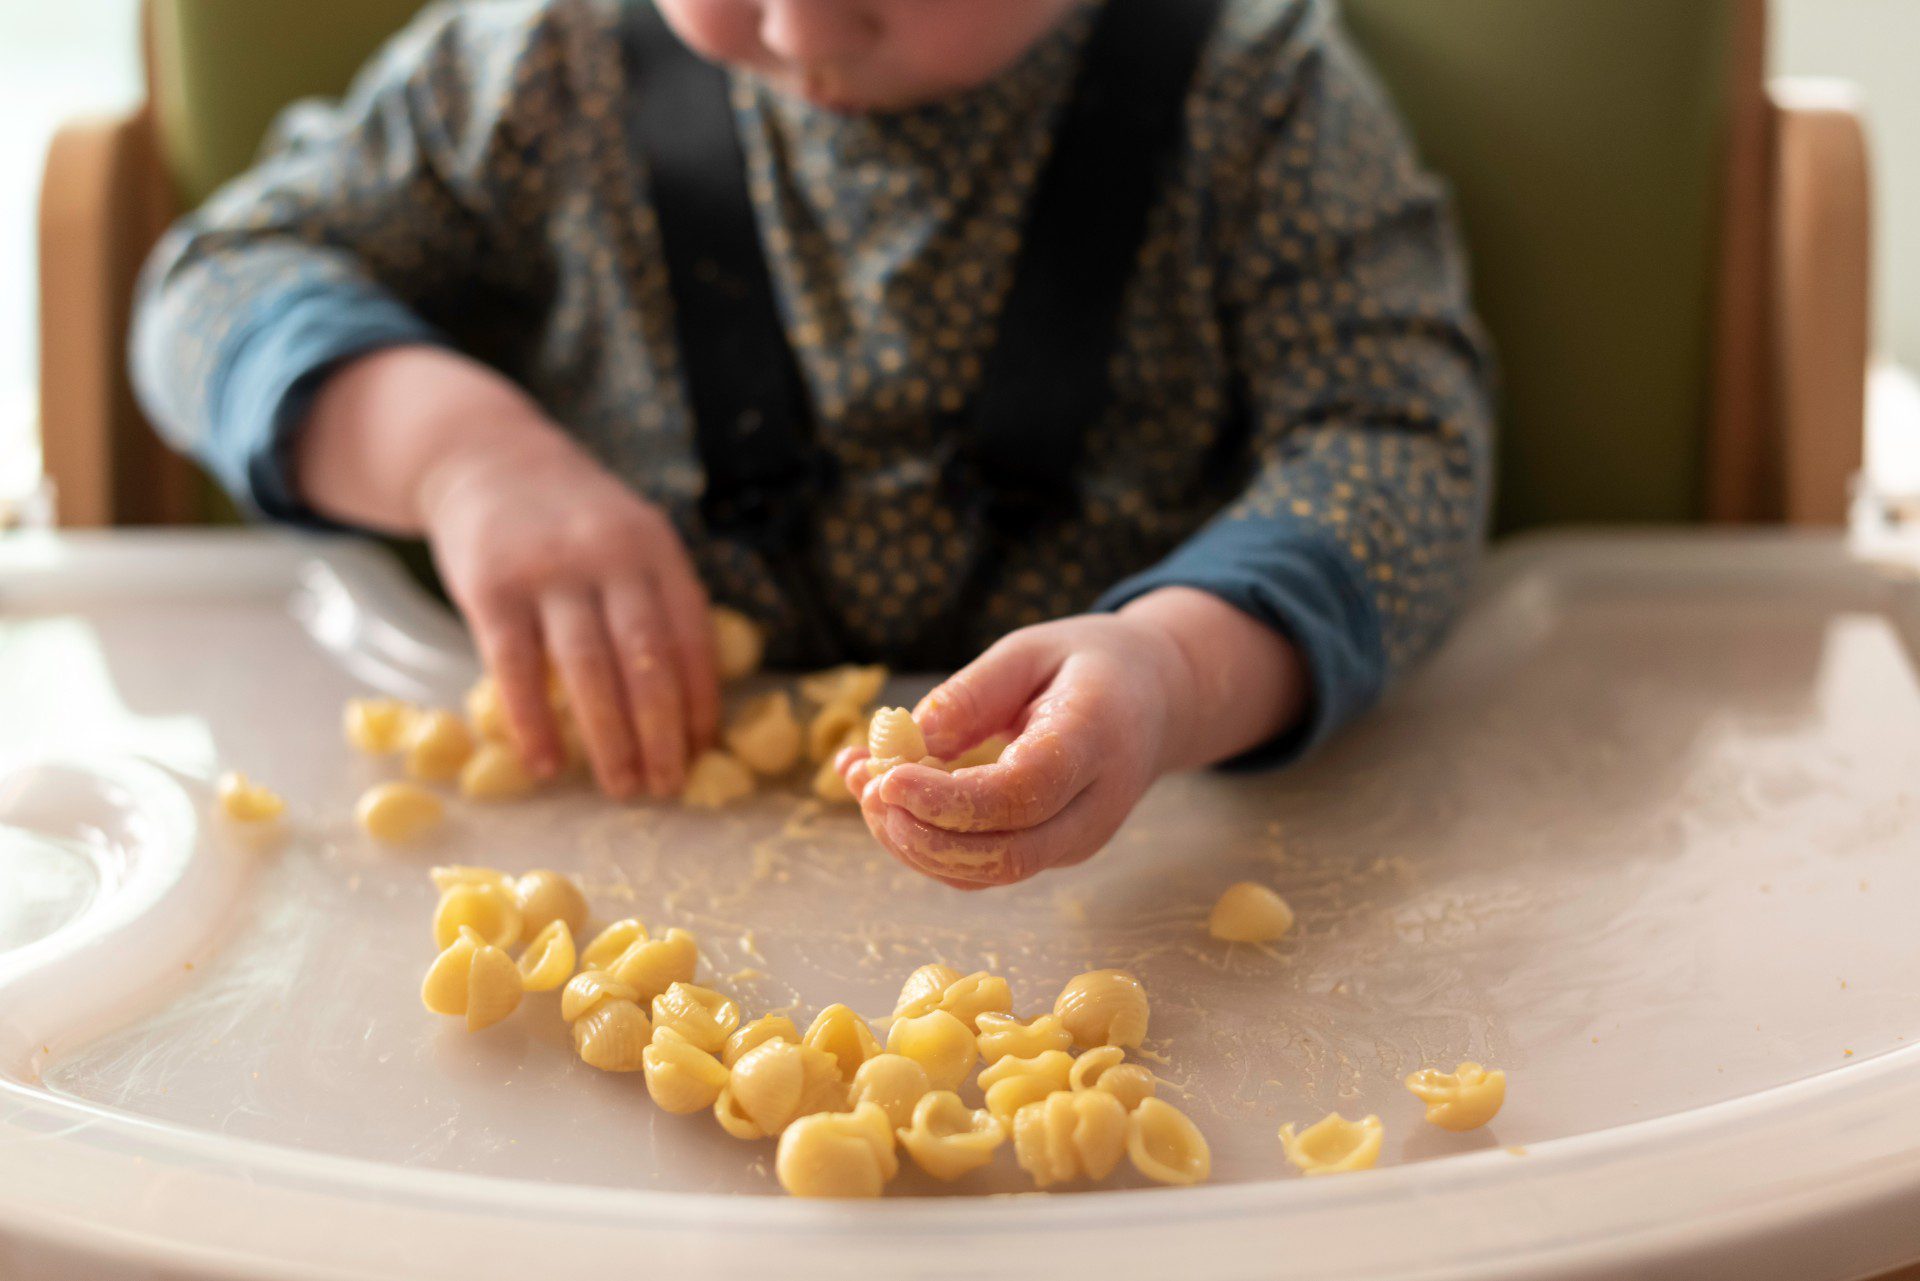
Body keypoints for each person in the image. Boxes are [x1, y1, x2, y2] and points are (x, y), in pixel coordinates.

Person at [131, 0, 1492, 889]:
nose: (792, 22)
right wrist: (459, 454)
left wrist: (1181, 668)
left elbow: (1401, 436)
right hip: (623, 858)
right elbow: (213, 285)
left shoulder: (1256, 94)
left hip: (1133, 878)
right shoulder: (540, 70)